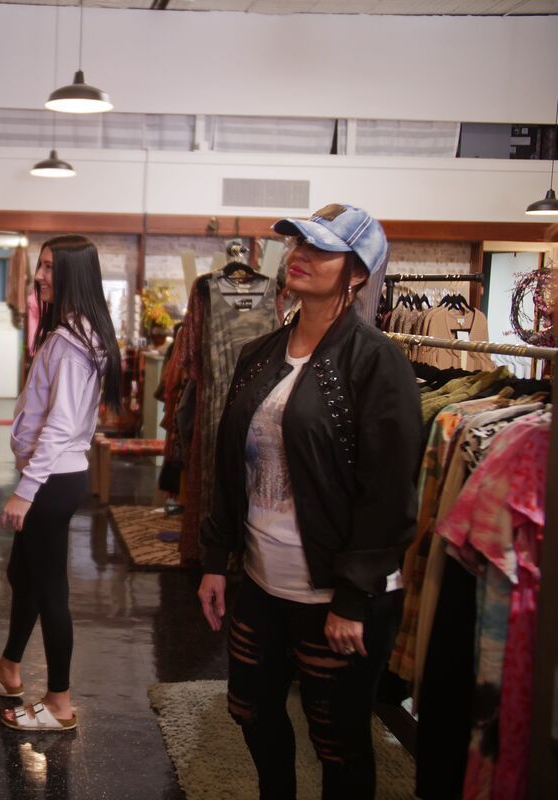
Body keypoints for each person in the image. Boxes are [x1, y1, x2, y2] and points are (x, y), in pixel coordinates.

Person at [197, 204, 422, 798]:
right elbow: (228, 464)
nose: (299, 254)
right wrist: (215, 559)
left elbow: (391, 491)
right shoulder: (259, 355)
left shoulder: (378, 363)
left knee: (338, 739)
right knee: (248, 707)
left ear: (355, 272)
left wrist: (353, 595)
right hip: (262, 580)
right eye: (297, 242)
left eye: (320, 249)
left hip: (336, 595)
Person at [0, 235, 122, 732]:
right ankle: (9, 669)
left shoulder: (73, 343)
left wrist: (25, 490)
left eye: (52, 267)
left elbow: (59, 425)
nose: (40, 276)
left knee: (51, 590)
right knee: (23, 573)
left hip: (53, 480)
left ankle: (59, 702)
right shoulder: (72, 331)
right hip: (54, 473)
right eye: (40, 266)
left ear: (76, 273)